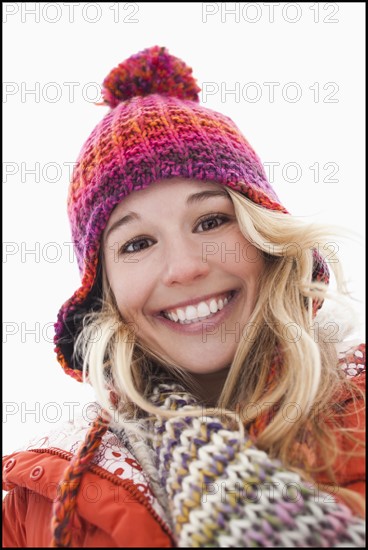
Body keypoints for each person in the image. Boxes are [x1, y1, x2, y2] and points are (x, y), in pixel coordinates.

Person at [2, 45, 365, 548]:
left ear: (265, 237)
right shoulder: (36, 508)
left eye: (211, 221)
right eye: (138, 243)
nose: (186, 267)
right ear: (101, 290)